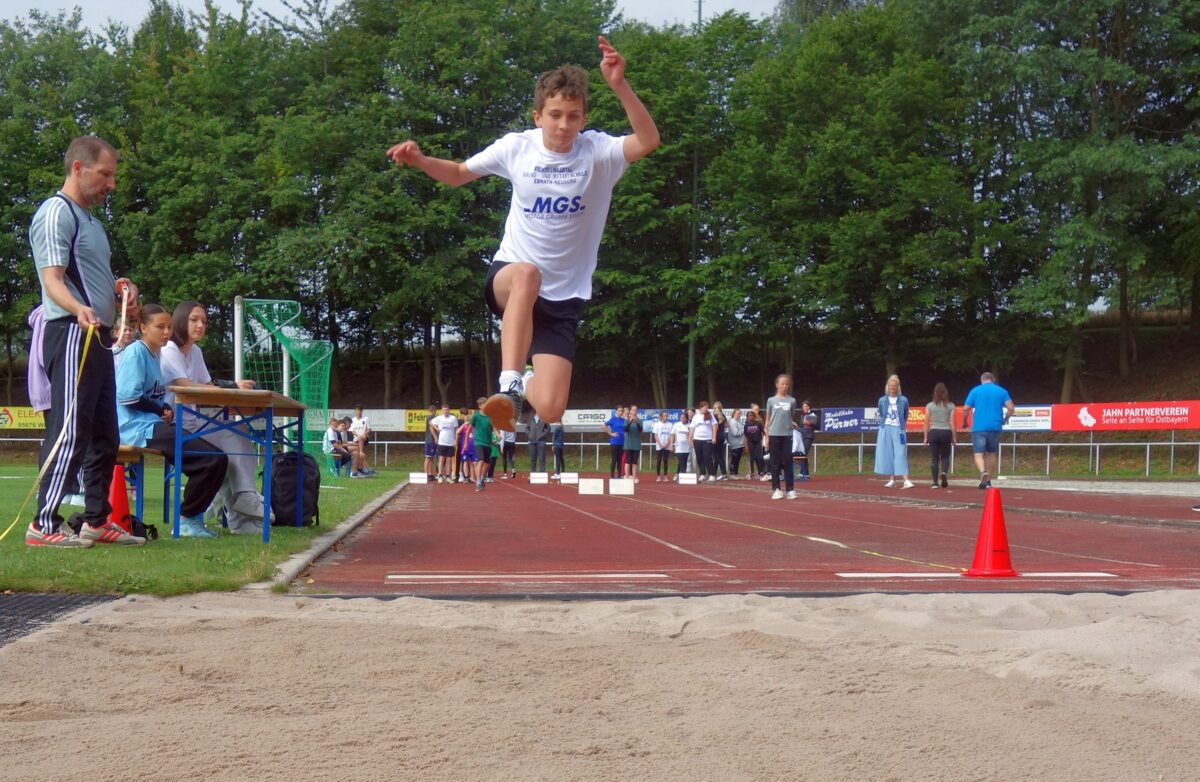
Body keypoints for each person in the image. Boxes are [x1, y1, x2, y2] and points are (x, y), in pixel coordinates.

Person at [387, 37, 659, 434]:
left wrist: (619, 84)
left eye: (572, 116)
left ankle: (528, 384)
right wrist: (420, 160)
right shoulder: (517, 148)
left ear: (583, 118)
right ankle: (510, 385)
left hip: (563, 295)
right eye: (554, 115)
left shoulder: (598, 153)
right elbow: (460, 174)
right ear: (537, 116)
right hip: (512, 280)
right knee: (528, 273)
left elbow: (648, 141)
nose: (563, 125)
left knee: (550, 410)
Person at [27, 135, 142, 548]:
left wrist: (117, 290)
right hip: (72, 332)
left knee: (105, 434)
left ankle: (96, 520)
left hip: (97, 337)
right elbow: (52, 280)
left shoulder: (91, 221)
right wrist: (79, 309)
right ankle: (43, 524)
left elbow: (84, 276)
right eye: (105, 174)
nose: (111, 184)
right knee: (70, 430)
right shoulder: (56, 213)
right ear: (78, 168)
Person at [116, 304, 227, 538]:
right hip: (134, 428)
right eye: (160, 327)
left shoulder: (155, 353)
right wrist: (159, 409)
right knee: (212, 459)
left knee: (216, 459)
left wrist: (163, 407)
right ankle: (187, 519)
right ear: (143, 328)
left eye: (168, 326)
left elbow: (151, 396)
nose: (166, 332)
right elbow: (128, 398)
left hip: (152, 424)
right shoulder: (137, 351)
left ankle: (190, 517)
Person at [160, 300, 267, 534]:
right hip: (173, 423)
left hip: (192, 419)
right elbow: (187, 386)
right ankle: (242, 504)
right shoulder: (169, 351)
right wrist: (232, 389)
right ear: (181, 320)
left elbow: (207, 386)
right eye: (194, 320)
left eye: (204, 322)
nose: (200, 325)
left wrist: (234, 388)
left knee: (237, 431)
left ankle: (243, 506)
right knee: (223, 450)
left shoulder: (195, 351)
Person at [962, 371, 1015, 489]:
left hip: (979, 427)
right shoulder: (1002, 391)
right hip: (995, 426)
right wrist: (1005, 418)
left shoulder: (975, 391)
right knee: (991, 453)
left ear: (982, 380)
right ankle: (988, 480)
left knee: (978, 453)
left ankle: (982, 472)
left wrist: (965, 422)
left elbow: (966, 409)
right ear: (993, 379)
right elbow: (1011, 408)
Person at [874, 374, 912, 489]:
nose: (892, 387)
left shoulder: (903, 400)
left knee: (900, 453)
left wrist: (902, 425)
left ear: (898, 387)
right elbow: (881, 413)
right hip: (885, 428)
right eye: (891, 385)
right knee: (888, 453)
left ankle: (906, 480)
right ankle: (892, 479)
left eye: (895, 385)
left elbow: (905, 414)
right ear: (887, 386)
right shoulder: (882, 400)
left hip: (898, 429)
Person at [765, 375, 797, 500]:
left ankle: (790, 489)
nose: (784, 386)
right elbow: (767, 419)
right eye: (782, 384)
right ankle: (776, 489)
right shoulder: (771, 400)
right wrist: (766, 437)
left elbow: (791, 416)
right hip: (774, 434)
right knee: (775, 463)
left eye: (786, 384)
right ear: (777, 385)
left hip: (787, 434)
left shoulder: (792, 401)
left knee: (788, 462)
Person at [923, 383, 956, 489]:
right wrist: (954, 438)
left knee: (934, 458)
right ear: (945, 393)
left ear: (935, 393)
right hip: (946, 432)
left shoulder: (929, 406)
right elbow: (952, 423)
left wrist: (925, 437)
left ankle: (934, 482)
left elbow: (926, 422)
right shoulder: (951, 406)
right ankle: (944, 472)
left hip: (933, 432)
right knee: (945, 456)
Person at [428, 404, 459, 483]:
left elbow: (456, 429)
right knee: (441, 459)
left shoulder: (453, 418)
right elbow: (430, 422)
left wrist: (455, 439)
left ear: (449, 410)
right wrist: (436, 428)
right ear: (442, 410)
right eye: (444, 410)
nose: (445, 411)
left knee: (449, 460)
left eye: (447, 410)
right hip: (442, 442)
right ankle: (440, 475)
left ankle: (448, 476)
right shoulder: (439, 418)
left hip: (450, 442)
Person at [471, 398, 493, 491]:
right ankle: (478, 482)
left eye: (487, 403)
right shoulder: (476, 417)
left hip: (488, 442)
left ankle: (482, 478)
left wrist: (498, 435)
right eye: (484, 404)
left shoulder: (491, 416)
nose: (486, 405)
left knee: (487, 464)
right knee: (480, 460)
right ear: (480, 406)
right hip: (478, 442)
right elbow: (470, 427)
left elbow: (495, 429)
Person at [690, 402, 716, 481]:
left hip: (707, 439)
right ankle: (702, 474)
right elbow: (692, 428)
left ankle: (711, 474)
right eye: (705, 407)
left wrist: (714, 437)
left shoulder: (710, 416)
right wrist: (690, 438)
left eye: (707, 408)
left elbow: (714, 426)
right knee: (699, 457)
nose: (707, 409)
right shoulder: (696, 417)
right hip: (697, 439)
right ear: (700, 408)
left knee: (707, 457)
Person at [349, 406, 376, 476]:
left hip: (364, 438)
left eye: (360, 410)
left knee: (361, 452)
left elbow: (369, 429)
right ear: (355, 411)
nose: (358, 412)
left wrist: (365, 434)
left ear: (362, 411)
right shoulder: (353, 420)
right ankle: (366, 469)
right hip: (356, 439)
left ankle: (363, 468)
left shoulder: (366, 419)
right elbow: (352, 431)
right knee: (362, 455)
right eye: (357, 410)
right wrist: (358, 435)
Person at [743, 408, 766, 481]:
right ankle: (752, 473)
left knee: (759, 458)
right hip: (750, 443)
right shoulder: (746, 425)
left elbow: (763, 433)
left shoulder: (758, 423)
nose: (750, 417)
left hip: (758, 442)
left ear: (754, 416)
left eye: (752, 415)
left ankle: (761, 473)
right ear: (747, 417)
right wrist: (746, 445)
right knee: (751, 458)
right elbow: (746, 436)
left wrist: (765, 440)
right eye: (749, 416)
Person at [798, 401, 818, 480]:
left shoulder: (812, 415)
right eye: (804, 406)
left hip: (809, 436)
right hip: (802, 436)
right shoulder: (802, 415)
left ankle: (803, 473)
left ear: (809, 407)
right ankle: (805, 473)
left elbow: (817, 426)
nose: (805, 408)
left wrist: (811, 422)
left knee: (803, 453)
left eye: (807, 406)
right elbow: (801, 426)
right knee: (803, 454)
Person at [651, 410, 672, 482]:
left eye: (667, 416)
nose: (666, 417)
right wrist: (660, 444)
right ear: (661, 417)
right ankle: (658, 476)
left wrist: (667, 444)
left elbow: (671, 435)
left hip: (667, 446)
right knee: (659, 460)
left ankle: (665, 476)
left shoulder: (670, 424)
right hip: (659, 446)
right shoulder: (657, 425)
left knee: (665, 461)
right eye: (664, 416)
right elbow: (655, 435)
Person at [623, 405, 642, 481]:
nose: (634, 411)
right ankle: (627, 476)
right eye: (633, 410)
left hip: (636, 443)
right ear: (630, 411)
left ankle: (634, 477)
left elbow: (640, 430)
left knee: (635, 461)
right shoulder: (627, 420)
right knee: (628, 460)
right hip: (628, 443)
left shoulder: (639, 421)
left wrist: (637, 422)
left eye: (636, 410)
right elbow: (626, 429)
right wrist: (630, 421)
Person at [605, 405, 626, 478]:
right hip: (614, 442)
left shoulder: (623, 420)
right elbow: (603, 425)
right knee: (614, 459)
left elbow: (626, 429)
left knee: (620, 460)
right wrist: (611, 433)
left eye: (622, 411)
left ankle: (620, 475)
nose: (621, 412)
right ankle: (612, 475)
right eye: (619, 411)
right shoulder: (613, 419)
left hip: (622, 442)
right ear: (616, 411)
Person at [455, 410, 476, 483]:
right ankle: (466, 477)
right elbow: (457, 432)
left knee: (473, 463)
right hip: (465, 447)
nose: (467, 420)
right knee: (465, 462)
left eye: (469, 419)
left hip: (473, 447)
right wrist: (464, 424)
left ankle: (472, 477)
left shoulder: (473, 427)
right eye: (466, 419)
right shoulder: (464, 427)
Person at [711, 402, 729, 480]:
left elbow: (715, 427)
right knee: (720, 455)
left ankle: (714, 474)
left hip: (716, 436)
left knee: (716, 456)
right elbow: (727, 425)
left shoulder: (714, 416)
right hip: (722, 436)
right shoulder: (723, 415)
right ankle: (723, 474)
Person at [671, 411, 691, 480]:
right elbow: (672, 435)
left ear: (687, 418)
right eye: (681, 417)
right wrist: (671, 444)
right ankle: (683, 474)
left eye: (684, 417)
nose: (682, 419)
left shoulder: (690, 425)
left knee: (684, 462)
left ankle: (680, 475)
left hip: (687, 448)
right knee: (681, 461)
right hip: (678, 448)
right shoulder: (676, 425)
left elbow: (691, 436)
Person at [726, 408, 745, 478]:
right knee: (734, 459)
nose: (739, 415)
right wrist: (744, 429)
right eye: (737, 414)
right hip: (735, 443)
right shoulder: (732, 422)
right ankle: (732, 473)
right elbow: (735, 433)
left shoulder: (737, 421)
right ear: (733, 414)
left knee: (737, 459)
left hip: (740, 443)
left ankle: (736, 473)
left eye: (740, 414)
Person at [422, 404, 437, 481]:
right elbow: (432, 426)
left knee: (431, 458)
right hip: (429, 440)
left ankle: (430, 473)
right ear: (434, 411)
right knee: (428, 457)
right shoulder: (430, 417)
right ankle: (426, 474)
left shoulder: (432, 417)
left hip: (432, 440)